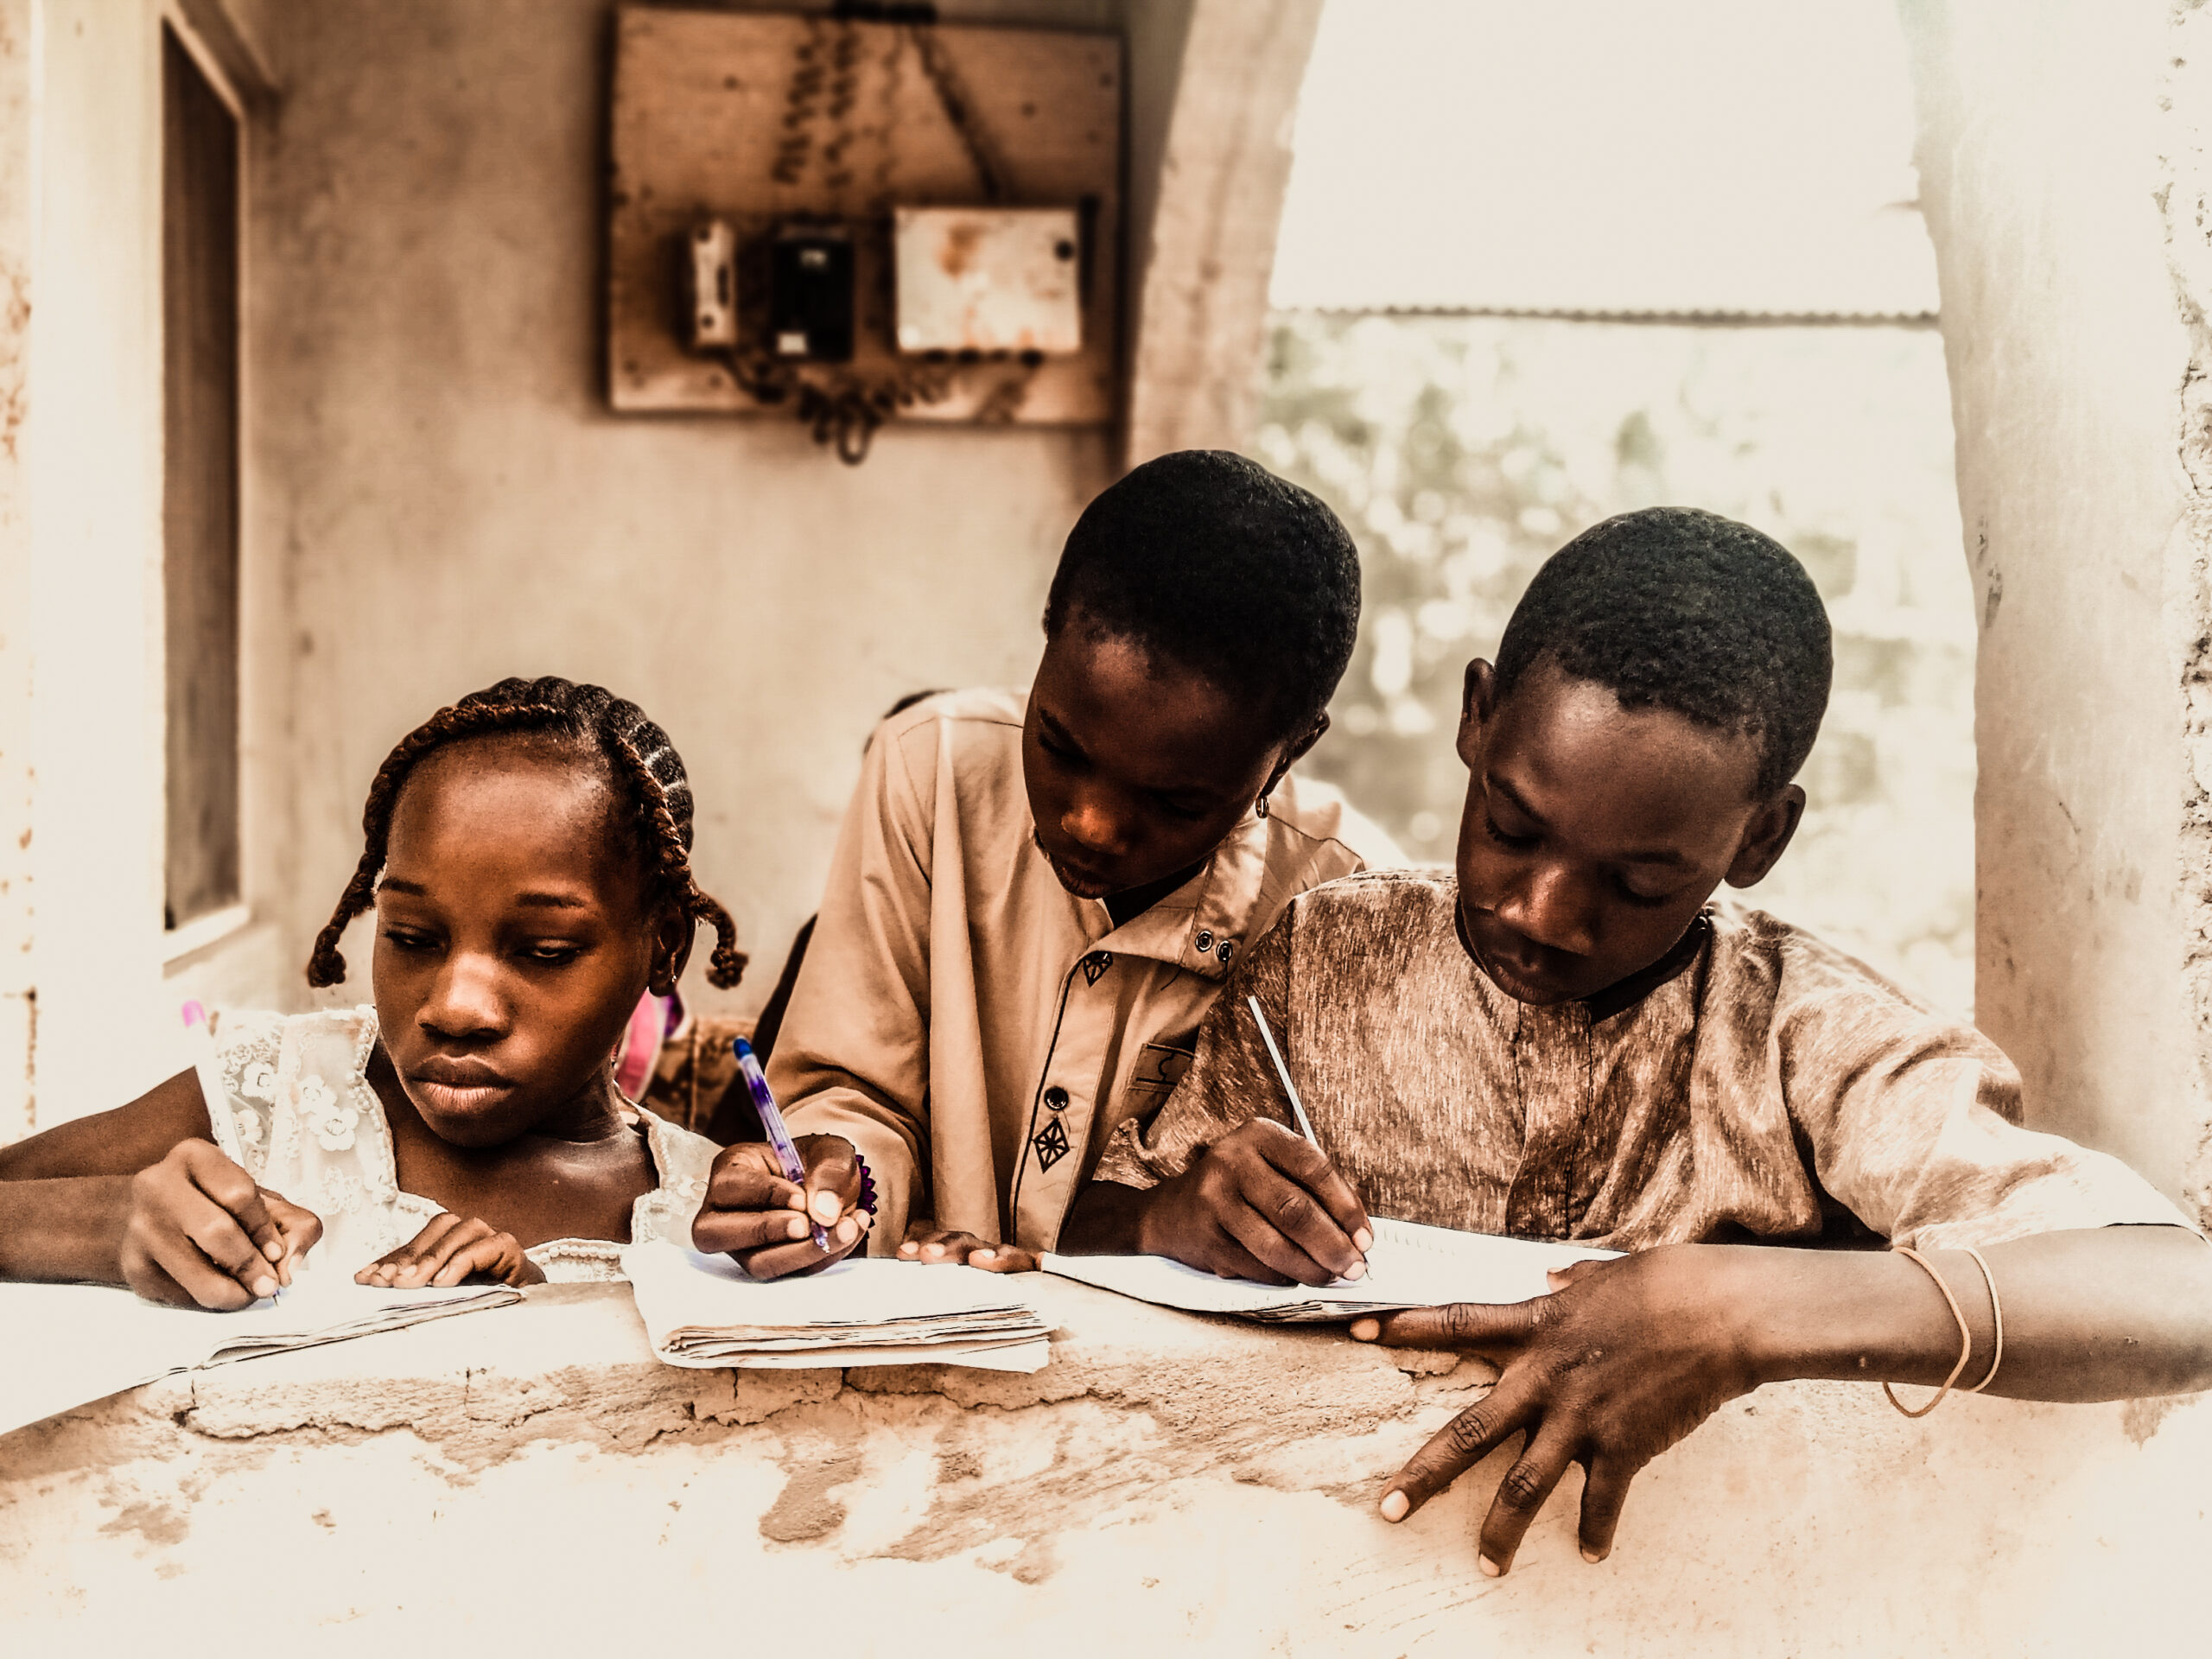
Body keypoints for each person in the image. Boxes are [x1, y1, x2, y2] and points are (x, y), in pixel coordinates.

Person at [1061, 506, 2212, 1575]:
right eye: (1511, 828)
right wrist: (1174, 1219)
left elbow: (2178, 1296)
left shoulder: (1805, 1036)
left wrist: (1738, 1312)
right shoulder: (1325, 957)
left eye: (1641, 879)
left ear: (1760, 837)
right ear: (1478, 716)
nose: (1541, 913)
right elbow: (1093, 1234)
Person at [690, 451, 1399, 1280]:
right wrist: (836, 1173)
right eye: (1060, 746)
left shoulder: (1343, 905)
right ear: (1049, 626)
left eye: (1174, 804)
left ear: (1290, 753)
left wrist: (1165, 1228)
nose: (1091, 825)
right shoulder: (933, 769)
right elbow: (854, 1090)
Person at [0, 677, 748, 1302]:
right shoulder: (285, 1093)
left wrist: (532, 1315)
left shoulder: (711, 1218)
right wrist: (111, 1219)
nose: (456, 1008)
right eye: (413, 938)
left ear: (665, 946)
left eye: (544, 952)